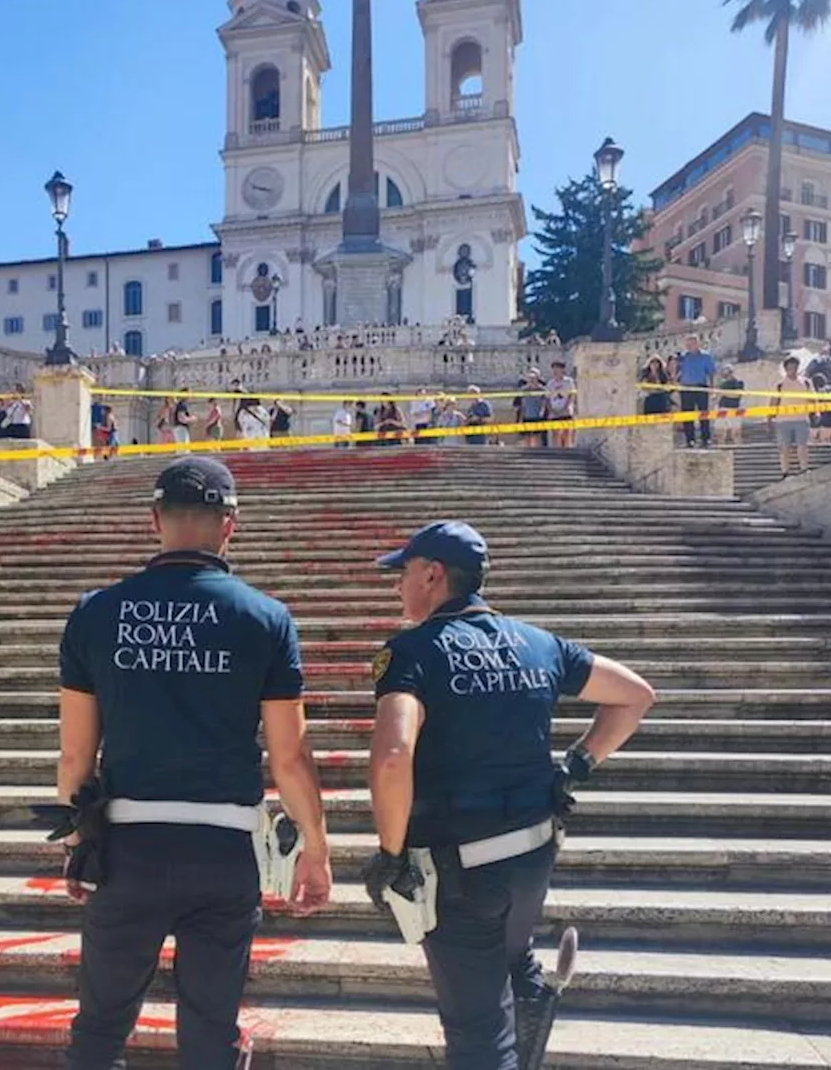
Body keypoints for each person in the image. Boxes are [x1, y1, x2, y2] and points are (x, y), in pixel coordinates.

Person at [55, 457, 333, 1068]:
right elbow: (289, 755)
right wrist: (315, 846)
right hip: (223, 851)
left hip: (128, 847)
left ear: (155, 520)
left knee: (99, 1029)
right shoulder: (267, 619)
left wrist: (78, 838)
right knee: (212, 1032)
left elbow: (76, 752)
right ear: (229, 525)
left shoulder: (95, 612)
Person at [362, 521, 655, 1070]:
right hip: (531, 858)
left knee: (477, 1036)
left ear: (433, 574)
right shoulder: (539, 643)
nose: (398, 585)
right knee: (507, 971)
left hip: (460, 873)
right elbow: (635, 695)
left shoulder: (413, 651)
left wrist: (391, 853)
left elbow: (393, 753)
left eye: (403, 573)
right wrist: (580, 762)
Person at [771, 356, 812, 477]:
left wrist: (816, 412)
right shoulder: (779, 384)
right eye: (790, 368)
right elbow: (773, 402)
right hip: (783, 420)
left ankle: (804, 468)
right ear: (786, 369)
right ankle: (785, 471)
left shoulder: (806, 382)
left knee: (802, 446)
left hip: (802, 419)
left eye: (795, 367)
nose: (792, 370)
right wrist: (769, 418)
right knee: (784, 448)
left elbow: (812, 399)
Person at [676, 334, 716, 449]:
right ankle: (690, 440)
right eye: (687, 344)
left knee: (703, 414)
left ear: (697, 344)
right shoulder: (683, 357)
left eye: (692, 343)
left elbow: (711, 372)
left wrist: (712, 388)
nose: (689, 346)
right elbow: (677, 371)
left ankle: (705, 438)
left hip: (700, 387)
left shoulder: (706, 356)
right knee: (687, 415)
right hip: (686, 388)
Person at [544, 361, 577, 448]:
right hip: (554, 411)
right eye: (553, 369)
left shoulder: (569, 381)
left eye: (557, 368)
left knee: (566, 433)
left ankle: (567, 450)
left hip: (566, 411)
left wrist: (566, 407)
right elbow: (547, 398)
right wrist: (551, 410)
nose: (555, 371)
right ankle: (558, 451)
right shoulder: (550, 383)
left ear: (562, 369)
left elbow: (572, 395)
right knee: (556, 434)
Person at [516, 369, 548, 448]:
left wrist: (542, 412)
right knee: (527, 436)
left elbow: (545, 402)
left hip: (538, 416)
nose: (532, 380)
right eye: (530, 378)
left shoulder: (542, 390)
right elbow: (521, 405)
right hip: (527, 416)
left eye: (534, 378)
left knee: (537, 437)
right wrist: (520, 418)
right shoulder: (523, 390)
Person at [715, 363, 745, 445]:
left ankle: (739, 448)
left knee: (736, 433)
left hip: (735, 408)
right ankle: (721, 448)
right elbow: (718, 397)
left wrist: (724, 393)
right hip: (722, 408)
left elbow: (737, 395)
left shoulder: (739, 382)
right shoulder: (722, 384)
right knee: (720, 432)